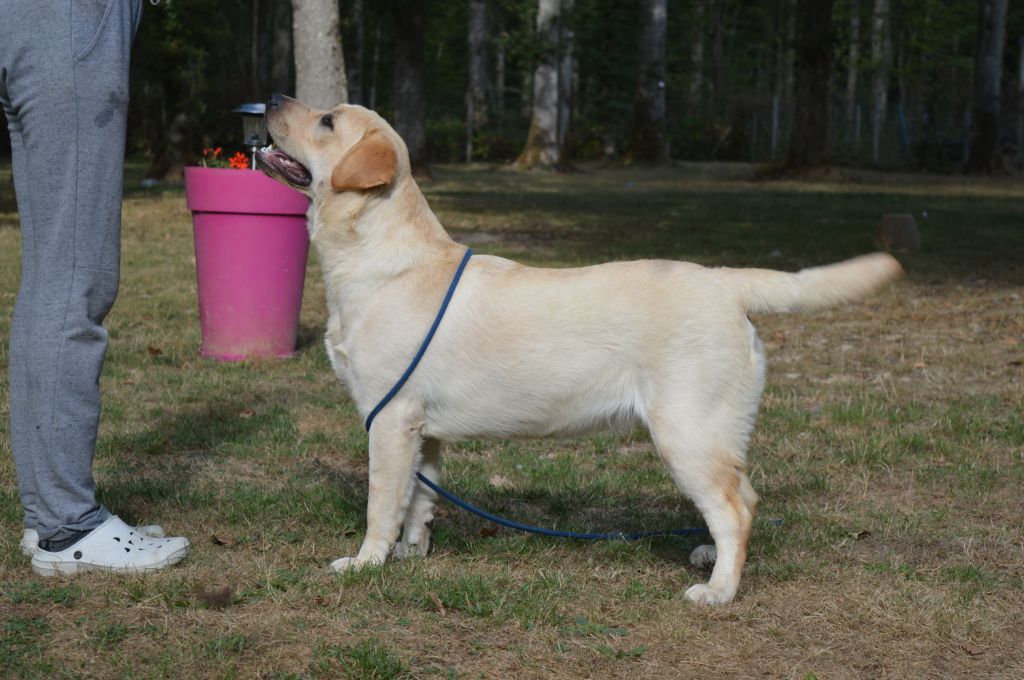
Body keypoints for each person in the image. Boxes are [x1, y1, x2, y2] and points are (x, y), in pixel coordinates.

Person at [1, 0, 190, 575]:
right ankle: (68, 527)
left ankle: (49, 515)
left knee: (51, 273)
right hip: (70, 20)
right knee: (77, 277)